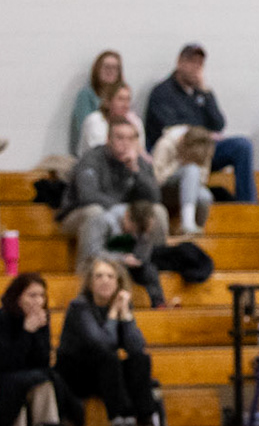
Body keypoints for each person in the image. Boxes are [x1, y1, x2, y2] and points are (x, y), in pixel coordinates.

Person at [60, 118, 168, 307]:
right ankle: (85, 275)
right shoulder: (92, 159)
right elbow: (87, 195)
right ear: (108, 139)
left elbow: (154, 197)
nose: (125, 143)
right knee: (95, 212)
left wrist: (136, 171)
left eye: (130, 138)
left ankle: (152, 265)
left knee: (158, 212)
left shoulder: (139, 162)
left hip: (122, 219)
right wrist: (124, 210)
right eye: (119, 137)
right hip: (77, 214)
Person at [57, 258, 160, 426]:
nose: (105, 280)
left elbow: (136, 347)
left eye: (110, 276)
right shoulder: (79, 307)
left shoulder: (121, 305)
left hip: (106, 374)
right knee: (109, 357)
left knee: (140, 360)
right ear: (90, 283)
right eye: (99, 276)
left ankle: (146, 419)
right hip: (76, 376)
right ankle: (119, 419)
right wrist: (113, 314)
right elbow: (102, 344)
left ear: (118, 282)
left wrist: (125, 313)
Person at [0, 273, 80, 426]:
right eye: (32, 295)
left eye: (41, 295)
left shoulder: (41, 319)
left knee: (44, 381)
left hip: (29, 376)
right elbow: (6, 361)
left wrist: (35, 331)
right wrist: (27, 332)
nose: (38, 301)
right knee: (28, 382)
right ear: (17, 297)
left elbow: (43, 361)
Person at [146, 44, 254, 202]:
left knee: (242, 146)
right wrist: (204, 134)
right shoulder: (162, 92)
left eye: (200, 64)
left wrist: (206, 93)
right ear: (179, 62)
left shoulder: (201, 93)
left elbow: (218, 124)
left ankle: (247, 204)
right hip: (177, 153)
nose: (195, 68)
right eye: (191, 62)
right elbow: (168, 128)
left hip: (205, 149)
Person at [151, 124, 214, 239]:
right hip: (164, 189)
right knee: (191, 169)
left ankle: (195, 234)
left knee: (205, 196)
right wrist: (179, 164)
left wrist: (191, 177)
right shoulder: (165, 144)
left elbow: (203, 179)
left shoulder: (205, 147)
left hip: (187, 191)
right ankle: (187, 224)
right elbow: (156, 179)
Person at [71, 50, 123, 156]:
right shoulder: (86, 94)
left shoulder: (122, 93)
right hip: (93, 150)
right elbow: (85, 128)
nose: (110, 71)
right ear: (97, 69)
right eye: (107, 67)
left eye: (114, 68)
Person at [77, 82, 142, 155]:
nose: (125, 105)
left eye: (128, 99)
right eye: (120, 99)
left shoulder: (135, 121)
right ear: (108, 101)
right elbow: (99, 152)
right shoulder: (95, 120)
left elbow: (140, 150)